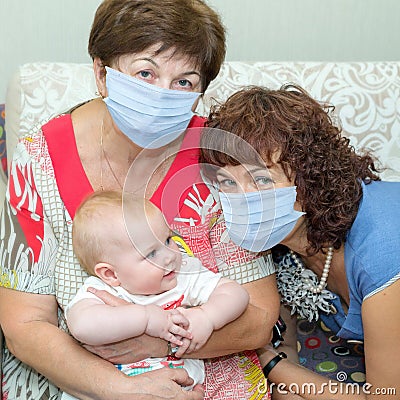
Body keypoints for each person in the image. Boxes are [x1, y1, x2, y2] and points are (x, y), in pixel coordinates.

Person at [0, 1, 279, 399]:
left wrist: (157, 343)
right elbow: (24, 325)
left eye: (184, 81)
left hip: (205, 365)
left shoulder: (218, 157)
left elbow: (259, 317)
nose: (162, 94)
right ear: (102, 73)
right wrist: (122, 388)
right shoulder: (39, 162)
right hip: (77, 369)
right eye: (145, 72)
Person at [199, 84, 400, 399]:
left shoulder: (384, 252)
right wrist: (279, 368)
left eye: (262, 179)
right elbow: (287, 348)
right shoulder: (278, 241)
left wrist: (271, 364)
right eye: (227, 182)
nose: (243, 200)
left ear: (312, 177)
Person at [62, 191, 249, 399]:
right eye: (151, 253)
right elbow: (82, 326)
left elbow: (235, 293)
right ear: (111, 274)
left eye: (168, 239)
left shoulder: (182, 275)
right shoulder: (103, 290)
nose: (169, 256)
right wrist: (146, 318)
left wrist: (208, 316)